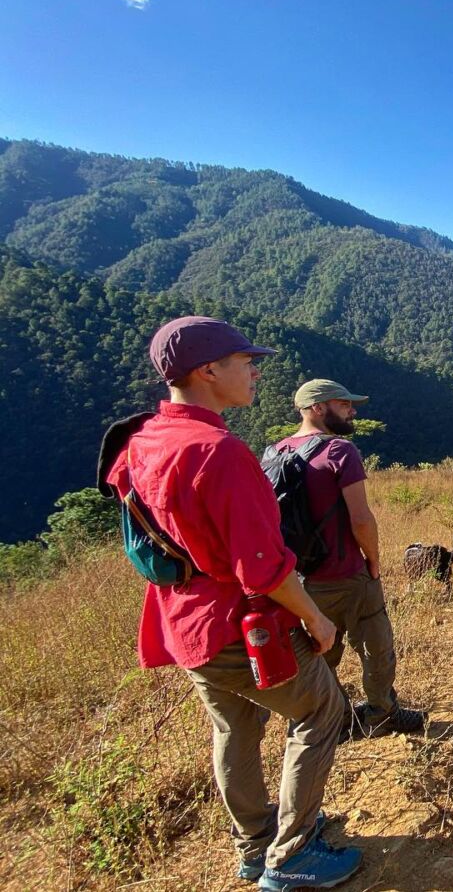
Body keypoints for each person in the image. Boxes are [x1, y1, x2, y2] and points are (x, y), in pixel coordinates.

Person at [99, 317, 361, 890]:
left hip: (182, 619)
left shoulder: (142, 438)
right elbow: (262, 566)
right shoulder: (217, 452)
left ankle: (255, 843)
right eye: (245, 360)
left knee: (235, 728)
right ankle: (292, 855)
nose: (255, 369)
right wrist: (315, 617)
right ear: (208, 370)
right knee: (322, 712)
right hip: (239, 624)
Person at [273, 379, 424, 740]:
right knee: (377, 648)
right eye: (344, 405)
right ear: (318, 408)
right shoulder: (340, 451)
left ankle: (337, 717)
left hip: (302, 580)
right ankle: (381, 713)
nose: (352, 411)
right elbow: (361, 518)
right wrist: (373, 561)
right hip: (348, 574)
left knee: (320, 654)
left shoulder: (275, 452)